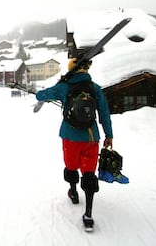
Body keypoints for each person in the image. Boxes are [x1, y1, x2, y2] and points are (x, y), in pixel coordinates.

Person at [35, 58, 113, 231]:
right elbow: (104, 113)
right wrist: (109, 135)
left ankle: (73, 191)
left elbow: (40, 95)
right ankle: (88, 215)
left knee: (71, 166)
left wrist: (59, 85)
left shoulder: (64, 87)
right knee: (88, 173)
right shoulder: (95, 88)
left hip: (69, 137)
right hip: (91, 137)